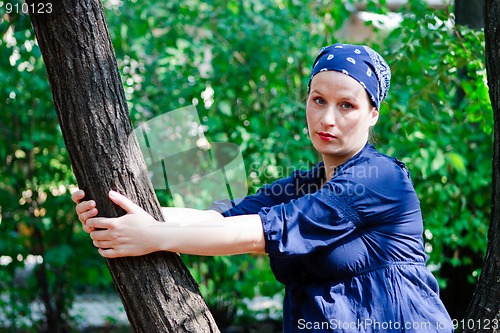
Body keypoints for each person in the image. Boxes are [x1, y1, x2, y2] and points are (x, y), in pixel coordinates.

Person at [72, 43, 453, 332]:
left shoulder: (381, 179)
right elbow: (220, 218)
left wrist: (155, 235)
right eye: (318, 100)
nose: (327, 118)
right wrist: (117, 213)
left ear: (373, 113)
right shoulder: (306, 185)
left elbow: (265, 233)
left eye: (347, 106)